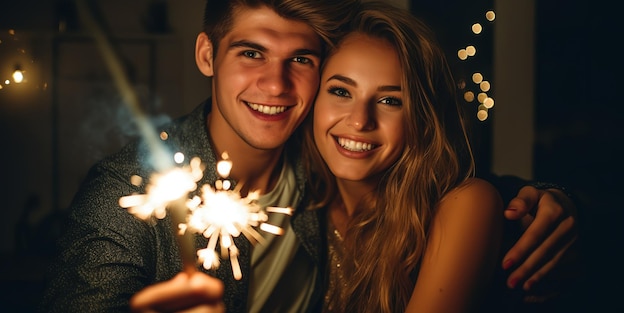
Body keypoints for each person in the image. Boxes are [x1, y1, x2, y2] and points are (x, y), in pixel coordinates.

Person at [40, 1, 578, 312]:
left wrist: (542, 201)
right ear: (207, 54)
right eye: (252, 52)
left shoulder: (312, 158)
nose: (275, 85)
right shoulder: (123, 198)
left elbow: (452, 191)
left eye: (299, 59)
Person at [300, 2, 506, 311]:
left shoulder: (465, 205)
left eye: (389, 100)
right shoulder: (299, 204)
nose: (359, 121)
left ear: (422, 118)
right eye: (341, 92)